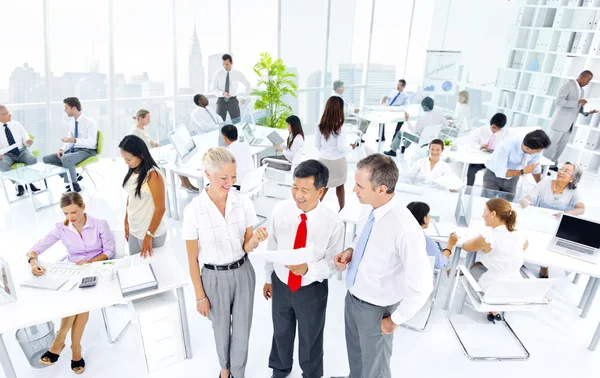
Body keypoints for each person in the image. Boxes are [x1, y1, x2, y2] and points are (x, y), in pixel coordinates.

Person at [333, 154, 433, 378]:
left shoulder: (405, 229)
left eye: (360, 186)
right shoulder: (368, 208)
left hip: (376, 310)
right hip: (353, 298)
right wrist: (351, 251)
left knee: (375, 371)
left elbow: (423, 285)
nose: (353, 190)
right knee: (356, 361)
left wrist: (395, 321)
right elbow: (364, 239)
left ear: (381, 189)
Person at [182, 147, 268, 378]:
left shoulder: (244, 203)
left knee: (242, 330)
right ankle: (225, 368)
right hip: (213, 277)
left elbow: (246, 246)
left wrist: (256, 241)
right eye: (224, 178)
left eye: (233, 176)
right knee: (220, 329)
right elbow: (192, 258)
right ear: (207, 175)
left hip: (242, 272)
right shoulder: (193, 211)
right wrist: (200, 296)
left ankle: (237, 373)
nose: (230, 182)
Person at [264, 159, 344, 378]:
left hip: (311, 289)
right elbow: (273, 246)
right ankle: (279, 370)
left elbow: (332, 264)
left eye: (305, 190)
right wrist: (268, 277)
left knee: (311, 337)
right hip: (281, 283)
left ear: (320, 191)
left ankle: (311, 374)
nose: (298, 195)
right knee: (281, 331)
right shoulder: (280, 209)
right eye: (295, 187)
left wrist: (308, 269)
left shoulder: (334, 223)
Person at [26, 192, 115, 374]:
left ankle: (60, 341)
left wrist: (90, 262)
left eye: (74, 212)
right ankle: (75, 349)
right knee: (79, 301)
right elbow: (36, 249)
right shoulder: (61, 228)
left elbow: (110, 251)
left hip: (96, 269)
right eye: (66, 213)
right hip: (74, 272)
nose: (70, 217)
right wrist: (33, 262)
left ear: (83, 207)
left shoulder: (100, 224)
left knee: (79, 301)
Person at [461, 198, 528, 322]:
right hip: (515, 289)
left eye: (485, 211)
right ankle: (496, 309)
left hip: (491, 290)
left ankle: (493, 307)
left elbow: (466, 246)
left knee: (475, 267)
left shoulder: (488, 236)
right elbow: (525, 246)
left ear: (493, 214)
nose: (482, 215)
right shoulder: (519, 234)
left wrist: (477, 239)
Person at [520, 162, 585, 278]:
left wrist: (566, 214)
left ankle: (544, 265)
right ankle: (532, 263)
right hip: (537, 221)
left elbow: (581, 209)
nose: (561, 172)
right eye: (562, 168)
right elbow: (529, 197)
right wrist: (525, 201)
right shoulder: (545, 182)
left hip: (556, 225)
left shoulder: (574, 191)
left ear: (573, 178)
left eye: (566, 171)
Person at [119, 135, 168, 256]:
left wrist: (148, 236)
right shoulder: (134, 170)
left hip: (151, 233)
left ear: (141, 155)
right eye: (124, 159)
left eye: (129, 159)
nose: (126, 162)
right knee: (137, 269)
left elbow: (160, 209)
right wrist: (126, 221)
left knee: (153, 271)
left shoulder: (153, 176)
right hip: (135, 230)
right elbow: (131, 197)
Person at [544, 70, 598, 171]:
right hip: (560, 123)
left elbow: (577, 107)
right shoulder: (568, 86)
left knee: (561, 146)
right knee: (551, 145)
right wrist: (577, 102)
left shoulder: (581, 91)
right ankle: (543, 166)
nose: (588, 83)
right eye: (588, 80)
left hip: (570, 125)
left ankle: (552, 165)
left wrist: (587, 112)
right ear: (582, 77)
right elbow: (559, 101)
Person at [42, 97, 98, 193]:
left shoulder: (90, 122)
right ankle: (73, 176)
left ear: (74, 108)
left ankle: (74, 185)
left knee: (66, 158)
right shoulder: (72, 122)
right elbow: (69, 140)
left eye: (66, 108)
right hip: (74, 150)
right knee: (47, 159)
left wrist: (75, 140)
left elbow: (92, 142)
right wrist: (62, 149)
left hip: (87, 151)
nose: (65, 110)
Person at [315, 96, 356, 211]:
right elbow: (342, 148)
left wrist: (326, 152)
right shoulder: (340, 126)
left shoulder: (319, 124)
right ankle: (342, 209)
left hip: (323, 160)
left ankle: (314, 208)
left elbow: (317, 144)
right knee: (340, 185)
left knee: (324, 186)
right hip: (338, 161)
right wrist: (351, 147)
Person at [484, 129, 552, 196]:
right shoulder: (506, 145)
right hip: (493, 175)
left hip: (513, 177)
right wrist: (522, 172)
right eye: (537, 151)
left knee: (508, 203)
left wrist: (540, 187)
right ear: (527, 148)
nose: (539, 153)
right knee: (488, 202)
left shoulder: (536, 147)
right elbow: (500, 171)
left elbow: (535, 168)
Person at [384, 96, 449, 157]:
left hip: (420, 139)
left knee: (401, 133)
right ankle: (404, 146)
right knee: (415, 133)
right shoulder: (439, 115)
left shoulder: (422, 118)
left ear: (424, 106)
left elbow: (413, 130)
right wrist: (438, 128)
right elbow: (446, 123)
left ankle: (393, 151)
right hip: (432, 138)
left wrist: (407, 121)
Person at [0, 104, 39, 196]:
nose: (10, 114)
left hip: (22, 151)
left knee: (32, 159)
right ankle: (19, 184)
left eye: (9, 112)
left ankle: (29, 182)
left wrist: (28, 142)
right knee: (2, 165)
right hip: (6, 154)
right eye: (6, 113)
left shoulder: (17, 125)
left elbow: (25, 139)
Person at [406, 201, 458, 269]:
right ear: (424, 218)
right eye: (427, 215)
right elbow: (440, 264)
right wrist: (450, 246)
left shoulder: (401, 233)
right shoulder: (427, 242)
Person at [466, 113, 509, 186]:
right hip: (480, 159)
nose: (495, 130)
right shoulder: (480, 130)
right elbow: (470, 143)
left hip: (493, 160)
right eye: (494, 127)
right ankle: (469, 188)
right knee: (471, 169)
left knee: (501, 172)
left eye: (498, 129)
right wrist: (480, 146)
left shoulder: (504, 133)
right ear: (490, 124)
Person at [211, 54, 252, 122]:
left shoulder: (237, 73)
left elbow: (248, 85)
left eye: (227, 64)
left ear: (231, 63)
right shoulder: (218, 73)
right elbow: (213, 88)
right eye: (223, 64)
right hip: (221, 101)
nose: (225, 66)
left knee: (237, 122)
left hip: (233, 101)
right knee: (219, 123)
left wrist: (245, 97)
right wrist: (222, 93)